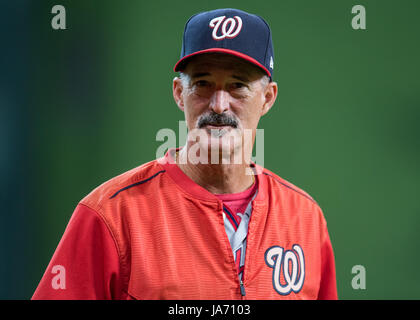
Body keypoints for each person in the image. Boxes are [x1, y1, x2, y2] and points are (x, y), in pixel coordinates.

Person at [32, 8, 337, 300]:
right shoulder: (110, 215)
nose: (219, 105)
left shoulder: (305, 218)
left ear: (267, 98)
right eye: (203, 84)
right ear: (179, 93)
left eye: (237, 86)